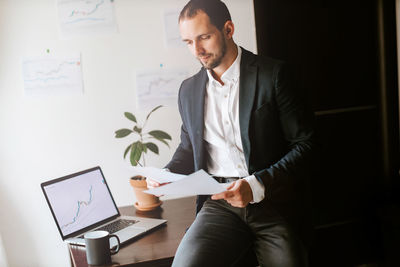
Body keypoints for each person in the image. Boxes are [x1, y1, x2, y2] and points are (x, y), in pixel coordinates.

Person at [147, 0, 315, 266]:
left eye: (204, 37)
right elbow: (189, 149)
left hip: (271, 202)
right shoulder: (188, 90)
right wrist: (168, 175)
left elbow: (306, 144)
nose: (197, 50)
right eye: (188, 42)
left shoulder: (273, 75)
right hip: (218, 203)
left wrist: (255, 185)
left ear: (228, 29)